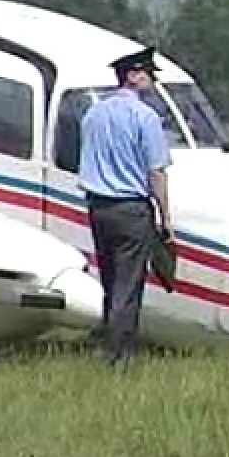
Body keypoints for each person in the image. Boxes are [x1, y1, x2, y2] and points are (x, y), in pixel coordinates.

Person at [79, 45, 174, 368]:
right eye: (148, 74)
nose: (152, 81)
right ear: (133, 75)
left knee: (109, 279)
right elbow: (156, 171)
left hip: (99, 207)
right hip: (131, 208)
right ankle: (120, 355)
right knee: (128, 284)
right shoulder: (145, 117)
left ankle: (106, 340)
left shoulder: (93, 114)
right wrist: (165, 216)